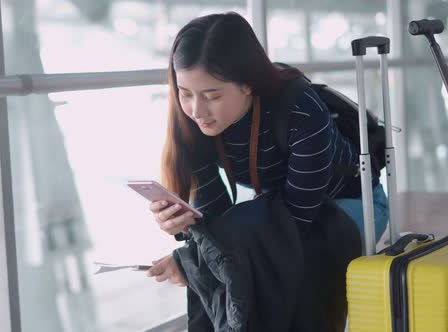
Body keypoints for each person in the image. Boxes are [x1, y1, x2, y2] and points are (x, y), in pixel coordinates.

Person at [146, 12, 388, 286]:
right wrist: (187, 227)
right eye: (185, 93)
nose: (196, 110)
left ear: (248, 83)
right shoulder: (195, 123)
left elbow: (295, 223)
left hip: (352, 205)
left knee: (282, 272)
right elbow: (217, 217)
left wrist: (196, 266)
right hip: (281, 213)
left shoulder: (301, 110)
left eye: (212, 96)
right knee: (239, 272)